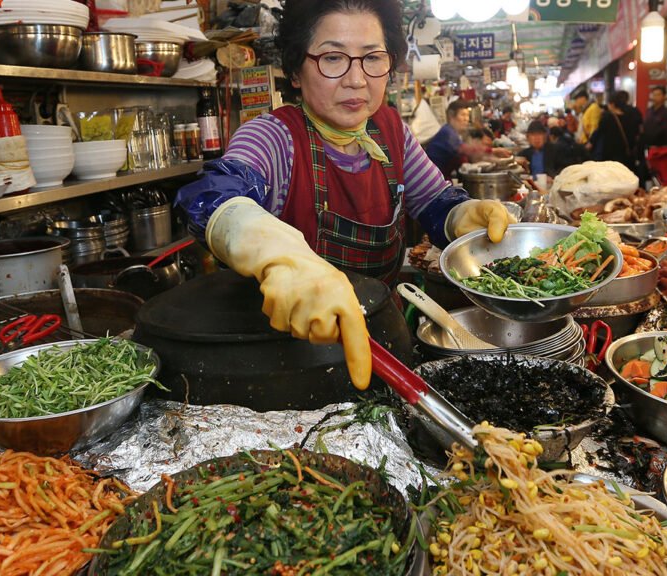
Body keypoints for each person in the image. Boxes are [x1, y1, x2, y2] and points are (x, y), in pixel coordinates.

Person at [174, 0, 512, 390]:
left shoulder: (390, 131)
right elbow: (212, 196)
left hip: (385, 344)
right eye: (333, 58)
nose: (356, 80)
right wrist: (273, 253)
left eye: (372, 58)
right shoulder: (273, 136)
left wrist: (460, 214)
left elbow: (434, 200)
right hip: (286, 365)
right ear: (297, 71)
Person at [425, 99, 512, 179]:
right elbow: (467, 150)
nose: (466, 119)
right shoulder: (447, 132)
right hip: (432, 182)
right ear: (451, 116)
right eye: (463, 115)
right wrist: (494, 151)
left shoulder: (455, 134)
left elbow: (469, 156)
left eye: (467, 115)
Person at [590, 91, 637, 171]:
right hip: (625, 156)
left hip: (610, 155)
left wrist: (590, 142)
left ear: (612, 104)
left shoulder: (607, 118)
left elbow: (598, 132)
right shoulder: (629, 117)